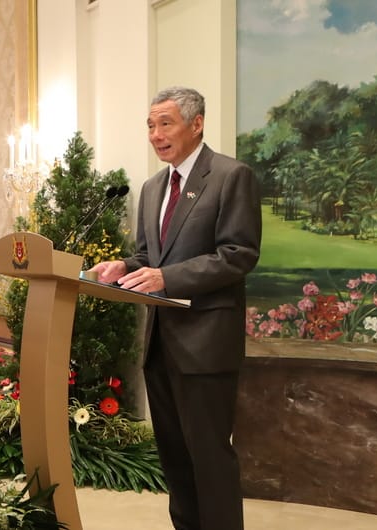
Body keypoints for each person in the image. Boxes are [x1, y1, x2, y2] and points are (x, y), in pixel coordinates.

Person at [88, 86, 260, 530]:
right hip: (160, 346)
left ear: (196, 124)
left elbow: (238, 254)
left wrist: (167, 277)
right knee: (175, 457)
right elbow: (149, 257)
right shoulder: (152, 188)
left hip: (206, 346)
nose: (155, 134)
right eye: (150, 125)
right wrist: (124, 266)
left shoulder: (231, 176)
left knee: (209, 456)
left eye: (165, 123)